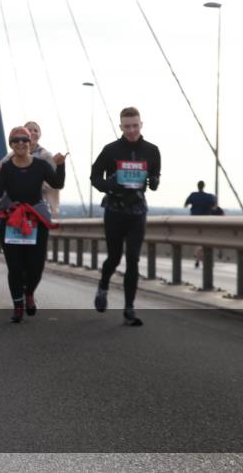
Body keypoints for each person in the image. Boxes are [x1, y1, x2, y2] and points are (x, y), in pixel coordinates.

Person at [90, 107, 161, 326]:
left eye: (135, 125)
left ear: (141, 125)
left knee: (133, 258)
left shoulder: (152, 150)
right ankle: (103, 285)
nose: (131, 130)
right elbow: (94, 176)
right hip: (115, 211)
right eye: (127, 126)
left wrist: (154, 181)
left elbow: (155, 176)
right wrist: (107, 186)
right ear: (121, 127)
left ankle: (129, 307)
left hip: (137, 211)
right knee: (115, 257)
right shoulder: (111, 150)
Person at [0, 126, 66, 322]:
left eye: (24, 140)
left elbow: (57, 184)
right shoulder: (5, 168)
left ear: (30, 143)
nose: (20, 143)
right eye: (16, 141)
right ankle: (18, 306)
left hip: (35, 220)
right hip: (12, 219)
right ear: (11, 145)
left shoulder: (40, 165)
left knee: (36, 266)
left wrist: (61, 165)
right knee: (14, 267)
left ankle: (29, 293)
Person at [25, 121, 60, 218]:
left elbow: (56, 181)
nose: (32, 132)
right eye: (29, 130)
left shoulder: (46, 156)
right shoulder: (12, 156)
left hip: (41, 205)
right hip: (19, 207)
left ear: (39, 135)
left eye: (36, 130)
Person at [184, 180, 216, 268]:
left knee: (198, 241)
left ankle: (198, 259)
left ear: (197, 186)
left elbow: (185, 205)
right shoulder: (209, 196)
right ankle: (202, 260)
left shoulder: (193, 195)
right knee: (205, 241)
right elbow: (214, 207)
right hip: (206, 221)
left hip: (195, 221)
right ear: (204, 186)